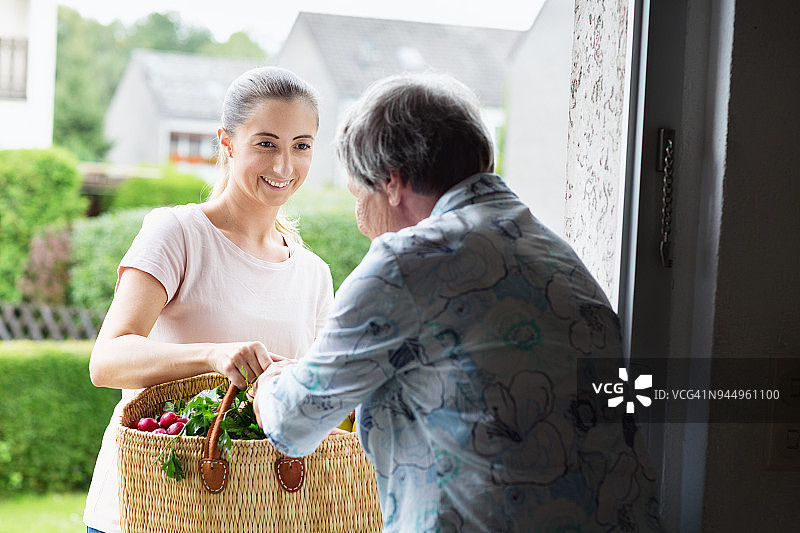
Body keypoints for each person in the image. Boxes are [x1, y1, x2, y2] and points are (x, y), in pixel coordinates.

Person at [252, 73, 663, 532]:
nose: (360, 221)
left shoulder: (404, 265)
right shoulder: (555, 253)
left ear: (391, 182)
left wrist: (272, 381)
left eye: (358, 194)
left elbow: (293, 423)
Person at [83, 66, 334, 533]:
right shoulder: (177, 233)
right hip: (148, 508)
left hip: (253, 516)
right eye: (266, 143)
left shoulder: (314, 275)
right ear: (227, 141)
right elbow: (107, 360)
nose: (284, 166)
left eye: (301, 145)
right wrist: (215, 356)